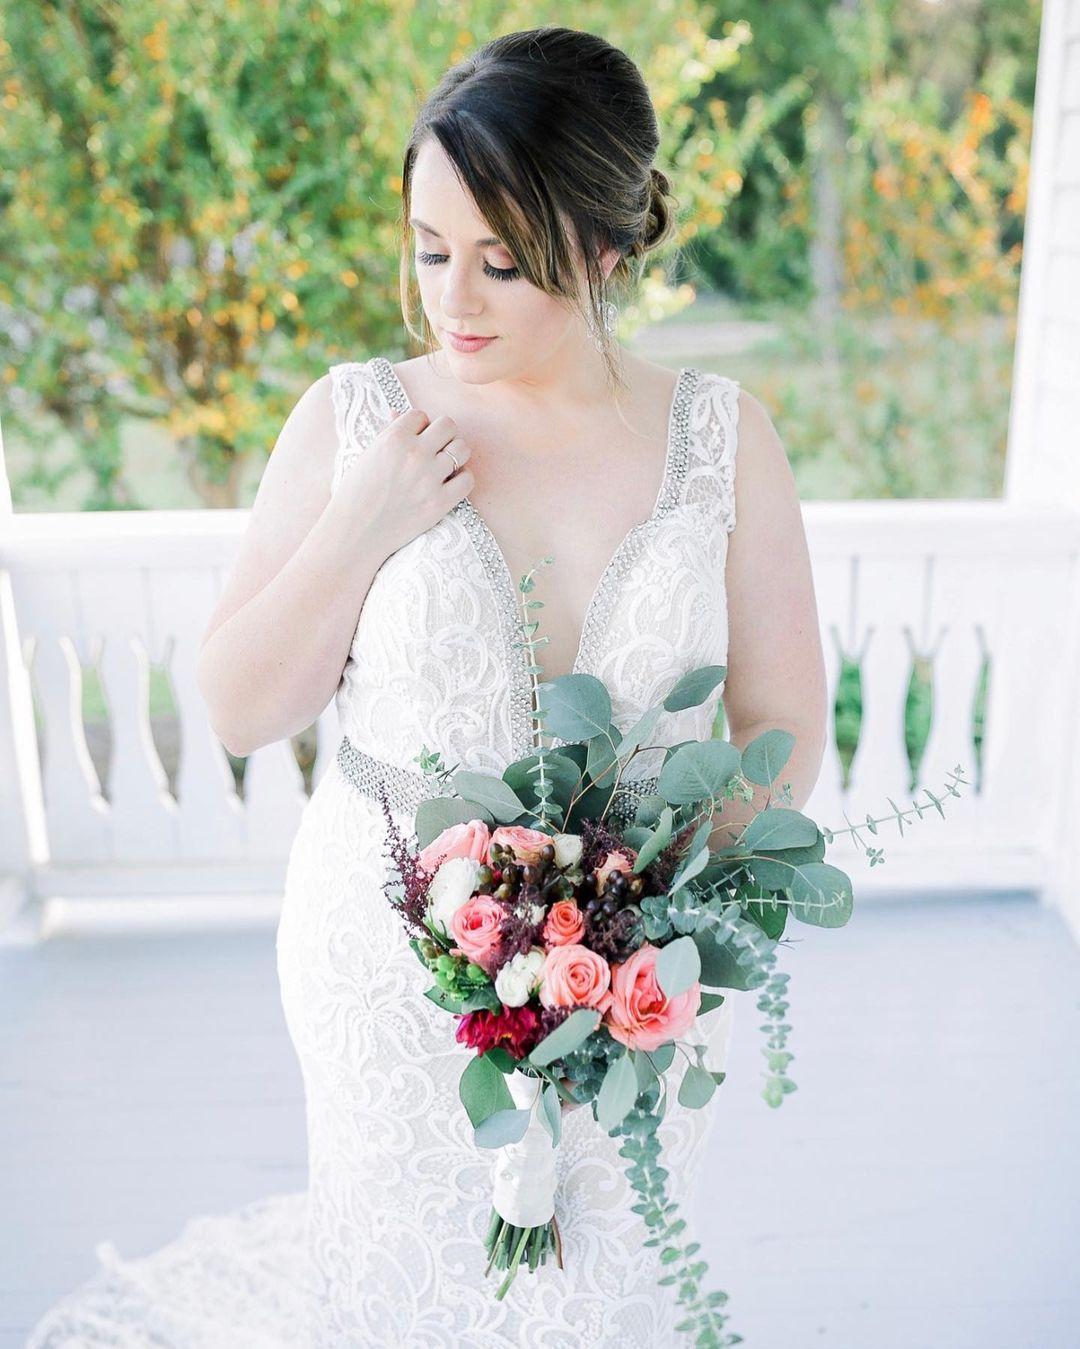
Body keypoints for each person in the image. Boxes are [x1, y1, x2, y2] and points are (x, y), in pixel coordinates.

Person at [26, 25, 826, 1348]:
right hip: (389, 964)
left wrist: (652, 913)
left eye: (502, 263)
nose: (455, 300)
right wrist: (363, 520)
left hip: (633, 983)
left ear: (608, 246)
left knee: (609, 1291)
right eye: (430, 250)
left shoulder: (724, 439)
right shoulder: (356, 421)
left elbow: (783, 719)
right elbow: (238, 707)